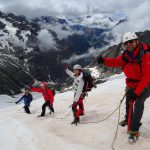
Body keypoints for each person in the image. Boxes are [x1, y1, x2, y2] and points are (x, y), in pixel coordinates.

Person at [97, 32, 150, 141]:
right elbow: (116, 62)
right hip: (131, 83)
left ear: (136, 41)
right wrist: (103, 61)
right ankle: (128, 118)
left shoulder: (145, 55)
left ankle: (134, 130)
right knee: (128, 100)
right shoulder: (126, 55)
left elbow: (147, 76)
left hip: (146, 84)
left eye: (130, 42)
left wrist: (137, 92)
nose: (128, 44)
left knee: (138, 103)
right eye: (126, 43)